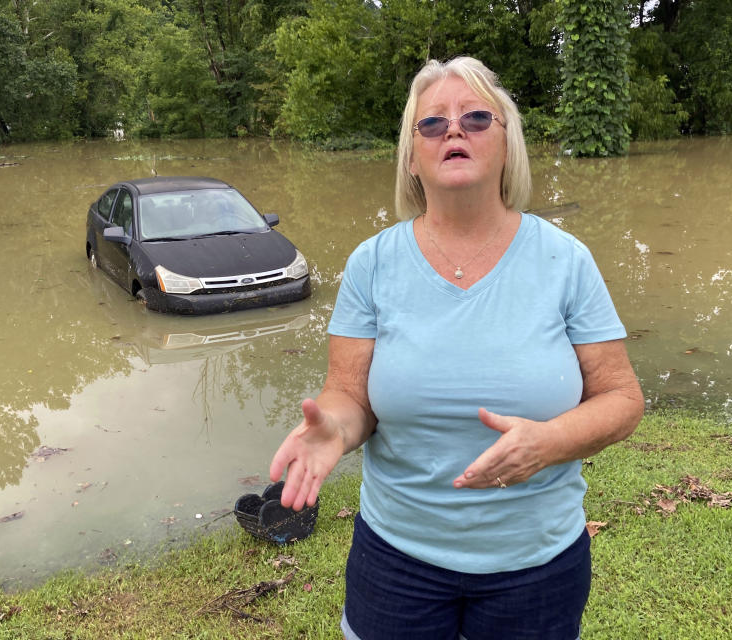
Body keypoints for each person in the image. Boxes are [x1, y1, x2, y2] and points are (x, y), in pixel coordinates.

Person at [268, 56, 644, 640]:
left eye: (474, 117)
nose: (454, 132)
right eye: (432, 124)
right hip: (397, 558)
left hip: (537, 563)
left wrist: (549, 443)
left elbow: (621, 398)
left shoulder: (566, 260)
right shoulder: (372, 264)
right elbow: (349, 397)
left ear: (505, 143)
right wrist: (336, 430)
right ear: (413, 157)